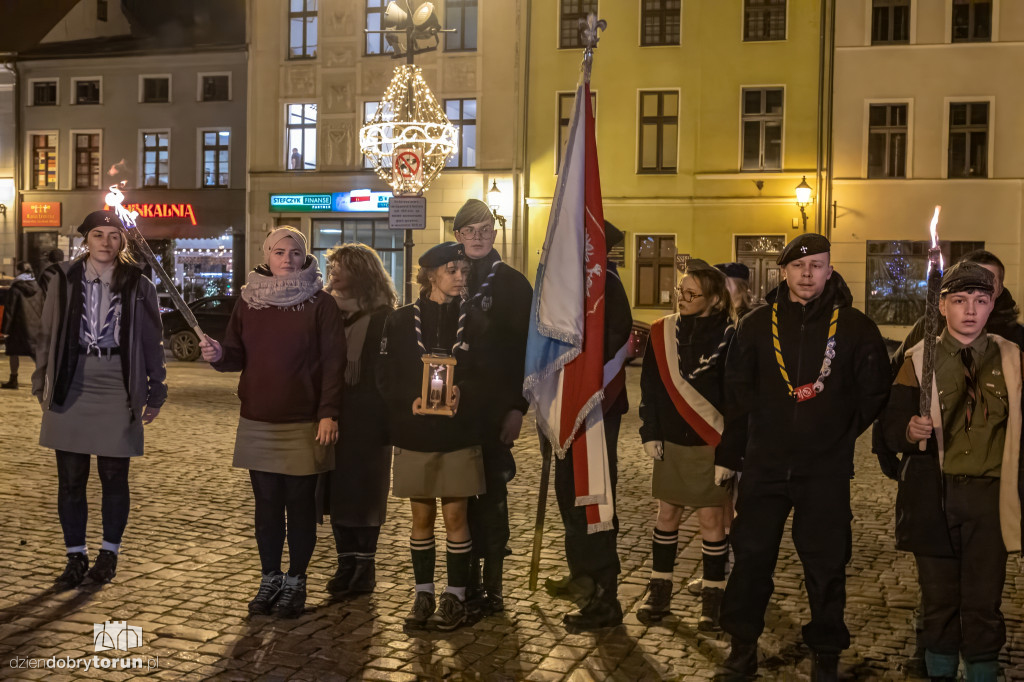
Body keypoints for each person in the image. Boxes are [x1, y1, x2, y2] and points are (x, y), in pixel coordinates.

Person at [713, 233, 890, 682]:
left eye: (817, 266)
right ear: (784, 272)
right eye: (799, 266)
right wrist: (732, 452)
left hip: (824, 472)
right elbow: (736, 394)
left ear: (829, 270)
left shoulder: (854, 327)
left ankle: (826, 654)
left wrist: (839, 434)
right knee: (751, 560)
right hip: (764, 467)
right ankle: (742, 648)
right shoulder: (755, 326)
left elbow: (874, 391)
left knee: (827, 566)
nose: (807, 274)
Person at [878, 262, 1022, 682]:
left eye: (980, 301)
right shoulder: (917, 359)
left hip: (990, 501)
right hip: (933, 498)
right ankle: (938, 670)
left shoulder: (1013, 359)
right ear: (942, 306)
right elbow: (887, 427)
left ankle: (982, 671)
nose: (971, 310)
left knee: (982, 601)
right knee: (939, 600)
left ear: (992, 303)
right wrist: (908, 429)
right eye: (959, 301)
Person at [200, 227, 343, 618]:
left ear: (305, 257)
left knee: (299, 505)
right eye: (279, 252)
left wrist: (329, 411)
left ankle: (296, 579)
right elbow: (235, 354)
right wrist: (216, 354)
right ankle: (270, 577)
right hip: (258, 418)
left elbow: (334, 362)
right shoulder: (249, 302)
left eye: (295, 253)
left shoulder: (321, 303)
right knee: (265, 506)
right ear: (267, 255)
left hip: (303, 421)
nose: (287, 259)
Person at [31, 210, 167, 590]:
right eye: (98, 235)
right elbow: (47, 329)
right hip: (71, 382)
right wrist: (40, 377)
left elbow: (151, 340)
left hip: (117, 384)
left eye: (113, 235)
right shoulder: (63, 277)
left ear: (123, 241)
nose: (106, 242)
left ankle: (109, 554)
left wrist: (158, 387)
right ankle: (75, 556)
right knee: (71, 480)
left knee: (113, 476)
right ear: (85, 240)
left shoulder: (139, 283)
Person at [378, 242, 485, 631]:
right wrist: (410, 401)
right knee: (420, 517)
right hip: (416, 430)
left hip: (459, 431)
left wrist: (464, 393)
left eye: (464, 271)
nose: (460, 277)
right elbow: (385, 375)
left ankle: (455, 596)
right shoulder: (400, 320)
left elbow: (487, 373)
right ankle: (423, 593)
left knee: (456, 514)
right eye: (452, 271)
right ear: (431, 275)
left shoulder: (474, 319)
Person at [637, 259, 735, 631]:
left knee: (712, 520)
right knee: (666, 517)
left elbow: (737, 399)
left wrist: (730, 453)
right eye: (680, 291)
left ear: (714, 299)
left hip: (712, 443)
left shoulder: (731, 334)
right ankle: (659, 588)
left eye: (692, 293)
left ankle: (714, 594)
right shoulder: (662, 331)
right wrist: (650, 432)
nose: (682, 297)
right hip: (672, 441)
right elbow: (650, 385)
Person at [547, 221, 633, 633]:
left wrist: (581, 390)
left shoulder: (608, 287)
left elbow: (615, 345)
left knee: (593, 500)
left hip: (595, 411)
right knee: (570, 497)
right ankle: (582, 575)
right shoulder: (571, 288)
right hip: (569, 409)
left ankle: (604, 592)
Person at [450, 199, 533, 615]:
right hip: (452, 412)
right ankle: (461, 583)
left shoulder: (514, 285)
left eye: (485, 228)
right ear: (458, 236)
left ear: (495, 232)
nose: (478, 236)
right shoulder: (448, 280)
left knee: (493, 497)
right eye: (470, 230)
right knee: (458, 497)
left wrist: (518, 407)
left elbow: (525, 353)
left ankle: (494, 585)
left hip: (495, 410)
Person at [321, 243, 398, 599]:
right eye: (333, 265)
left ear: (362, 273)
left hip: (369, 420)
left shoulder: (384, 317)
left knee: (365, 493)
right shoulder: (325, 312)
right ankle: (345, 563)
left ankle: (365, 567)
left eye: (342, 266)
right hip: (332, 414)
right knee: (336, 492)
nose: (334, 271)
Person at [2, 262, 43, 389]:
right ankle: (44, 380)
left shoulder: (15, 288)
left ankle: (13, 380)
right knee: (36, 354)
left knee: (13, 353)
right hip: (35, 327)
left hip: (18, 327)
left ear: (19, 271)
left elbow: (10, 310)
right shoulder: (38, 288)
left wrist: (5, 329)